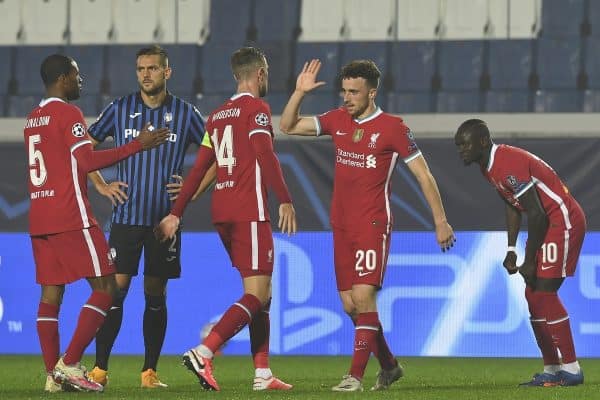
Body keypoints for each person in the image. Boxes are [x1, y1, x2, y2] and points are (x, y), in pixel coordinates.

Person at [279, 59, 455, 391]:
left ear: (372, 93)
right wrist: (299, 93)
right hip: (341, 224)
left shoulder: (393, 127)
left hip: (373, 222)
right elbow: (287, 126)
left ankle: (354, 377)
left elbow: (423, 174)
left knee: (363, 298)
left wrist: (440, 220)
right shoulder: (338, 119)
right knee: (350, 306)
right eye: (344, 91)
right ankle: (389, 366)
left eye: (354, 92)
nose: (347, 98)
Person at [157, 46, 297, 392]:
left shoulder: (216, 117)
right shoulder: (258, 110)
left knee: (261, 295)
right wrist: (286, 200)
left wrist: (177, 213)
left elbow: (200, 169)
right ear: (260, 73)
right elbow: (266, 155)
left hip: (222, 213)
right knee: (257, 294)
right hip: (250, 211)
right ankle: (205, 351)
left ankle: (262, 374)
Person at [27, 54, 168, 393]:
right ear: (62, 79)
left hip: (39, 218)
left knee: (50, 295)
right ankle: (70, 363)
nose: (80, 81)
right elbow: (87, 159)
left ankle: (53, 377)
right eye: (76, 75)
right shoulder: (68, 113)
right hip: (70, 215)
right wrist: (138, 145)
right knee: (107, 288)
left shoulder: (33, 119)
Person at [86, 45, 215, 388]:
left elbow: (218, 152)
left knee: (155, 293)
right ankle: (99, 370)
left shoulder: (187, 114)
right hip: (126, 219)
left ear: (167, 72)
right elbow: (82, 148)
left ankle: (149, 372)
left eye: (153, 68)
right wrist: (101, 185)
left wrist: (191, 190)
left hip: (164, 222)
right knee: (116, 292)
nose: (146, 74)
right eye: (141, 68)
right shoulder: (120, 108)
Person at [454, 119, 585, 387]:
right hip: (547, 223)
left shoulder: (506, 162)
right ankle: (552, 368)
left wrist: (529, 260)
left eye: (465, 144)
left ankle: (572, 370)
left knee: (544, 291)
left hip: (562, 219)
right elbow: (513, 205)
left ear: (482, 141)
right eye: (458, 146)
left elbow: (536, 213)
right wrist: (512, 249)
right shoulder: (488, 167)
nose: (461, 151)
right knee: (532, 294)